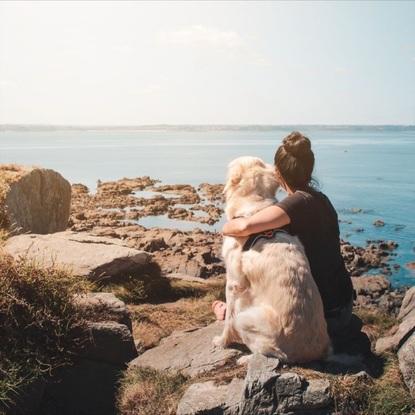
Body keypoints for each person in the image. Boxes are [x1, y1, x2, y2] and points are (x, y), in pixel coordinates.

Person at [212, 131, 357, 345]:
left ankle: (228, 317)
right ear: (309, 170)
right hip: (343, 305)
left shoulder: (293, 205)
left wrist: (226, 227)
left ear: (277, 173)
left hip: (326, 315)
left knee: (249, 280)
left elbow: (244, 226)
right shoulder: (319, 198)